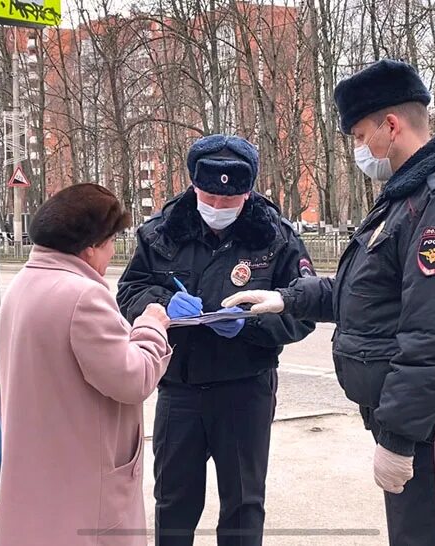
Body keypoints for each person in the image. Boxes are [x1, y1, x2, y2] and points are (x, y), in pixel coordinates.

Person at [224, 59, 435, 546]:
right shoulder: (407, 197)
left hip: (432, 425)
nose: (359, 148)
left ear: (390, 125)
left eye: (358, 135)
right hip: (420, 418)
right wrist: (286, 298)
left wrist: (399, 438)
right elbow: (366, 293)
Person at [117, 134, 316, 546]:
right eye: (210, 196)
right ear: (194, 186)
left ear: (248, 191)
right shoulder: (162, 232)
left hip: (245, 388)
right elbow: (130, 290)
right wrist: (164, 304)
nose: (219, 207)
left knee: (244, 503)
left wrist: (249, 326)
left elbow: (303, 309)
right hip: (180, 388)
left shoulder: (273, 237)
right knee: (173, 500)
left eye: (231, 199)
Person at [0, 184, 173, 546]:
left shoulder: (23, 284)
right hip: (86, 486)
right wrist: (151, 324)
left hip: (41, 470)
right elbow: (133, 378)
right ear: (91, 248)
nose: (112, 254)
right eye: (111, 243)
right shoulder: (84, 296)